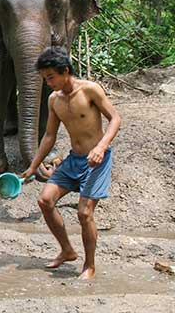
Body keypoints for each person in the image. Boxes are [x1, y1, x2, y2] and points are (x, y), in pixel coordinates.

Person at [20, 46, 121, 280]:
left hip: (97, 160)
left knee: (84, 213)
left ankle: (90, 265)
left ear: (65, 71)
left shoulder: (90, 90)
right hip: (73, 160)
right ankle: (67, 250)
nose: (48, 82)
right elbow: (49, 136)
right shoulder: (54, 99)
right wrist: (34, 166)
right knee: (45, 200)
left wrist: (100, 147)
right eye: (45, 78)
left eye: (51, 77)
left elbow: (115, 118)